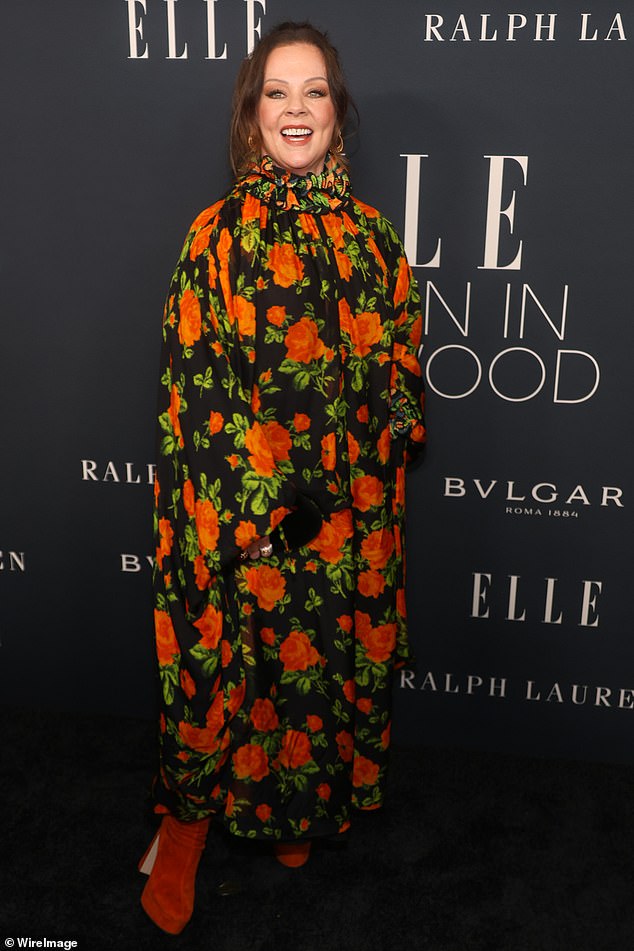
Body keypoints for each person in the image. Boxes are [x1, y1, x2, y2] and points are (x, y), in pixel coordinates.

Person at [139, 21, 426, 934]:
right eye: (276, 92)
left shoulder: (374, 238)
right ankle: (184, 827)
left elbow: (400, 364)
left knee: (319, 668)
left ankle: (296, 809)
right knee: (226, 664)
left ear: (337, 111)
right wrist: (265, 514)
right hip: (253, 518)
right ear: (251, 112)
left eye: (314, 91)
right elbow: (197, 387)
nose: (296, 110)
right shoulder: (215, 238)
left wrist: (381, 433)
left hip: (345, 513)